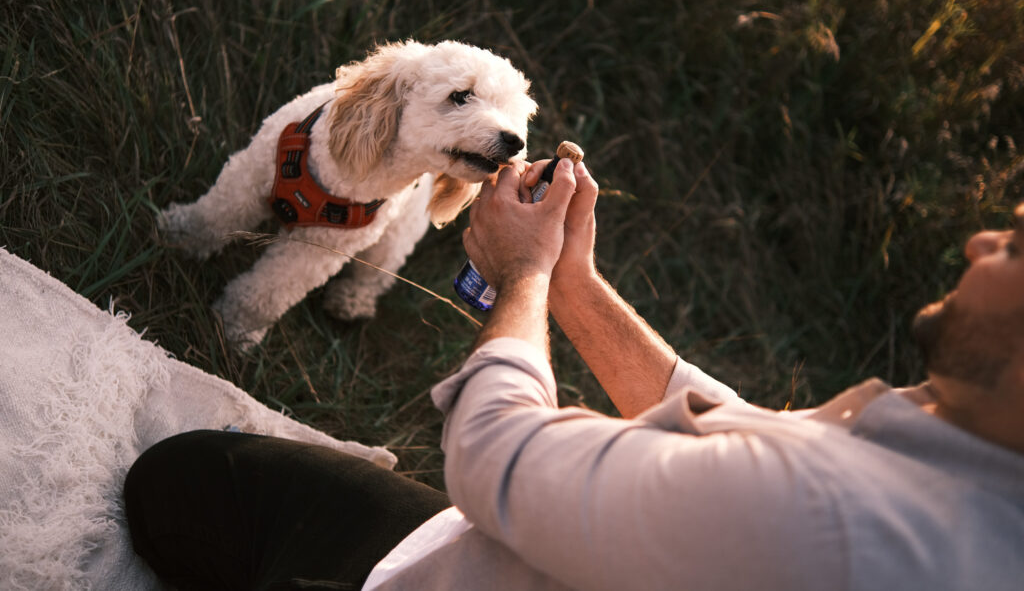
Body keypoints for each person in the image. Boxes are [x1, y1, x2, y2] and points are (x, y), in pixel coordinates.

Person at [124, 158, 1024, 590]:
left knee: (173, 494)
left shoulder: (837, 525)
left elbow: (495, 456)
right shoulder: (964, 469)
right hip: (485, 557)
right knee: (192, 484)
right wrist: (573, 284)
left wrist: (522, 276)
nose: (983, 241)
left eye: (1016, 249)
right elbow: (737, 429)